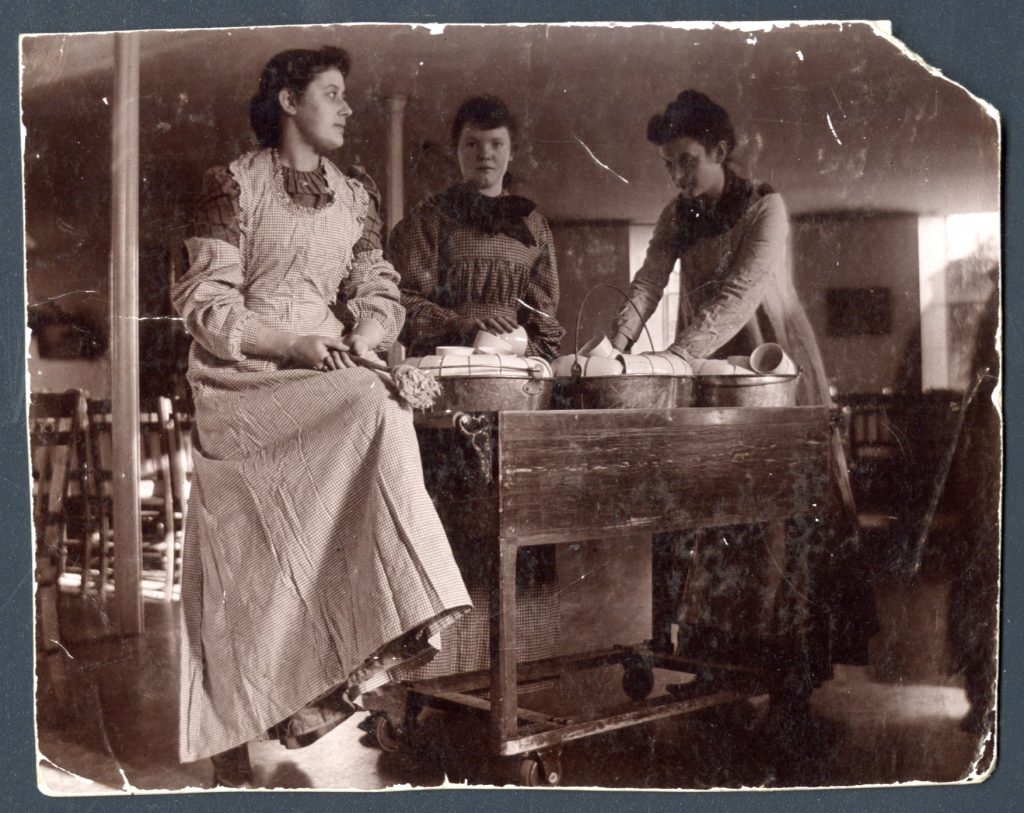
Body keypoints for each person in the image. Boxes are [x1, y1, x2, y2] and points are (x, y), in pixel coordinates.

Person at [171, 46, 470, 786]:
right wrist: (296, 343)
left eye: (345, 95)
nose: (344, 108)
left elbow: (377, 287)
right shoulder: (229, 187)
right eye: (331, 94)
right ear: (288, 102)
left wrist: (367, 336)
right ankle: (410, 606)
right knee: (374, 404)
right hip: (245, 377)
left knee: (383, 396)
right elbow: (208, 305)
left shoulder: (356, 193)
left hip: (325, 368)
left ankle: (385, 625)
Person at [610, 90, 877, 711]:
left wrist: (674, 356)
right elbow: (649, 281)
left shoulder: (766, 208)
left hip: (774, 368)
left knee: (784, 519)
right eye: (668, 165)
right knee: (716, 512)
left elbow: (737, 294)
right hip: (710, 372)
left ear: (721, 152)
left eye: (687, 161)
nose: (677, 176)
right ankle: (717, 662)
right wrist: (612, 348)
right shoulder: (677, 215)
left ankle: (792, 671)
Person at [387, 95, 563, 679]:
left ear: (511, 151)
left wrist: (530, 348)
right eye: (471, 144)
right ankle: (441, 674)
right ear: (456, 150)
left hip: (514, 395)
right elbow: (403, 300)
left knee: (517, 529)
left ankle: (522, 669)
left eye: (496, 145)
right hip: (448, 394)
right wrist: (464, 324)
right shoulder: (430, 219)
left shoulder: (532, 222)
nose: (484, 155)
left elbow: (545, 314)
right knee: (454, 527)